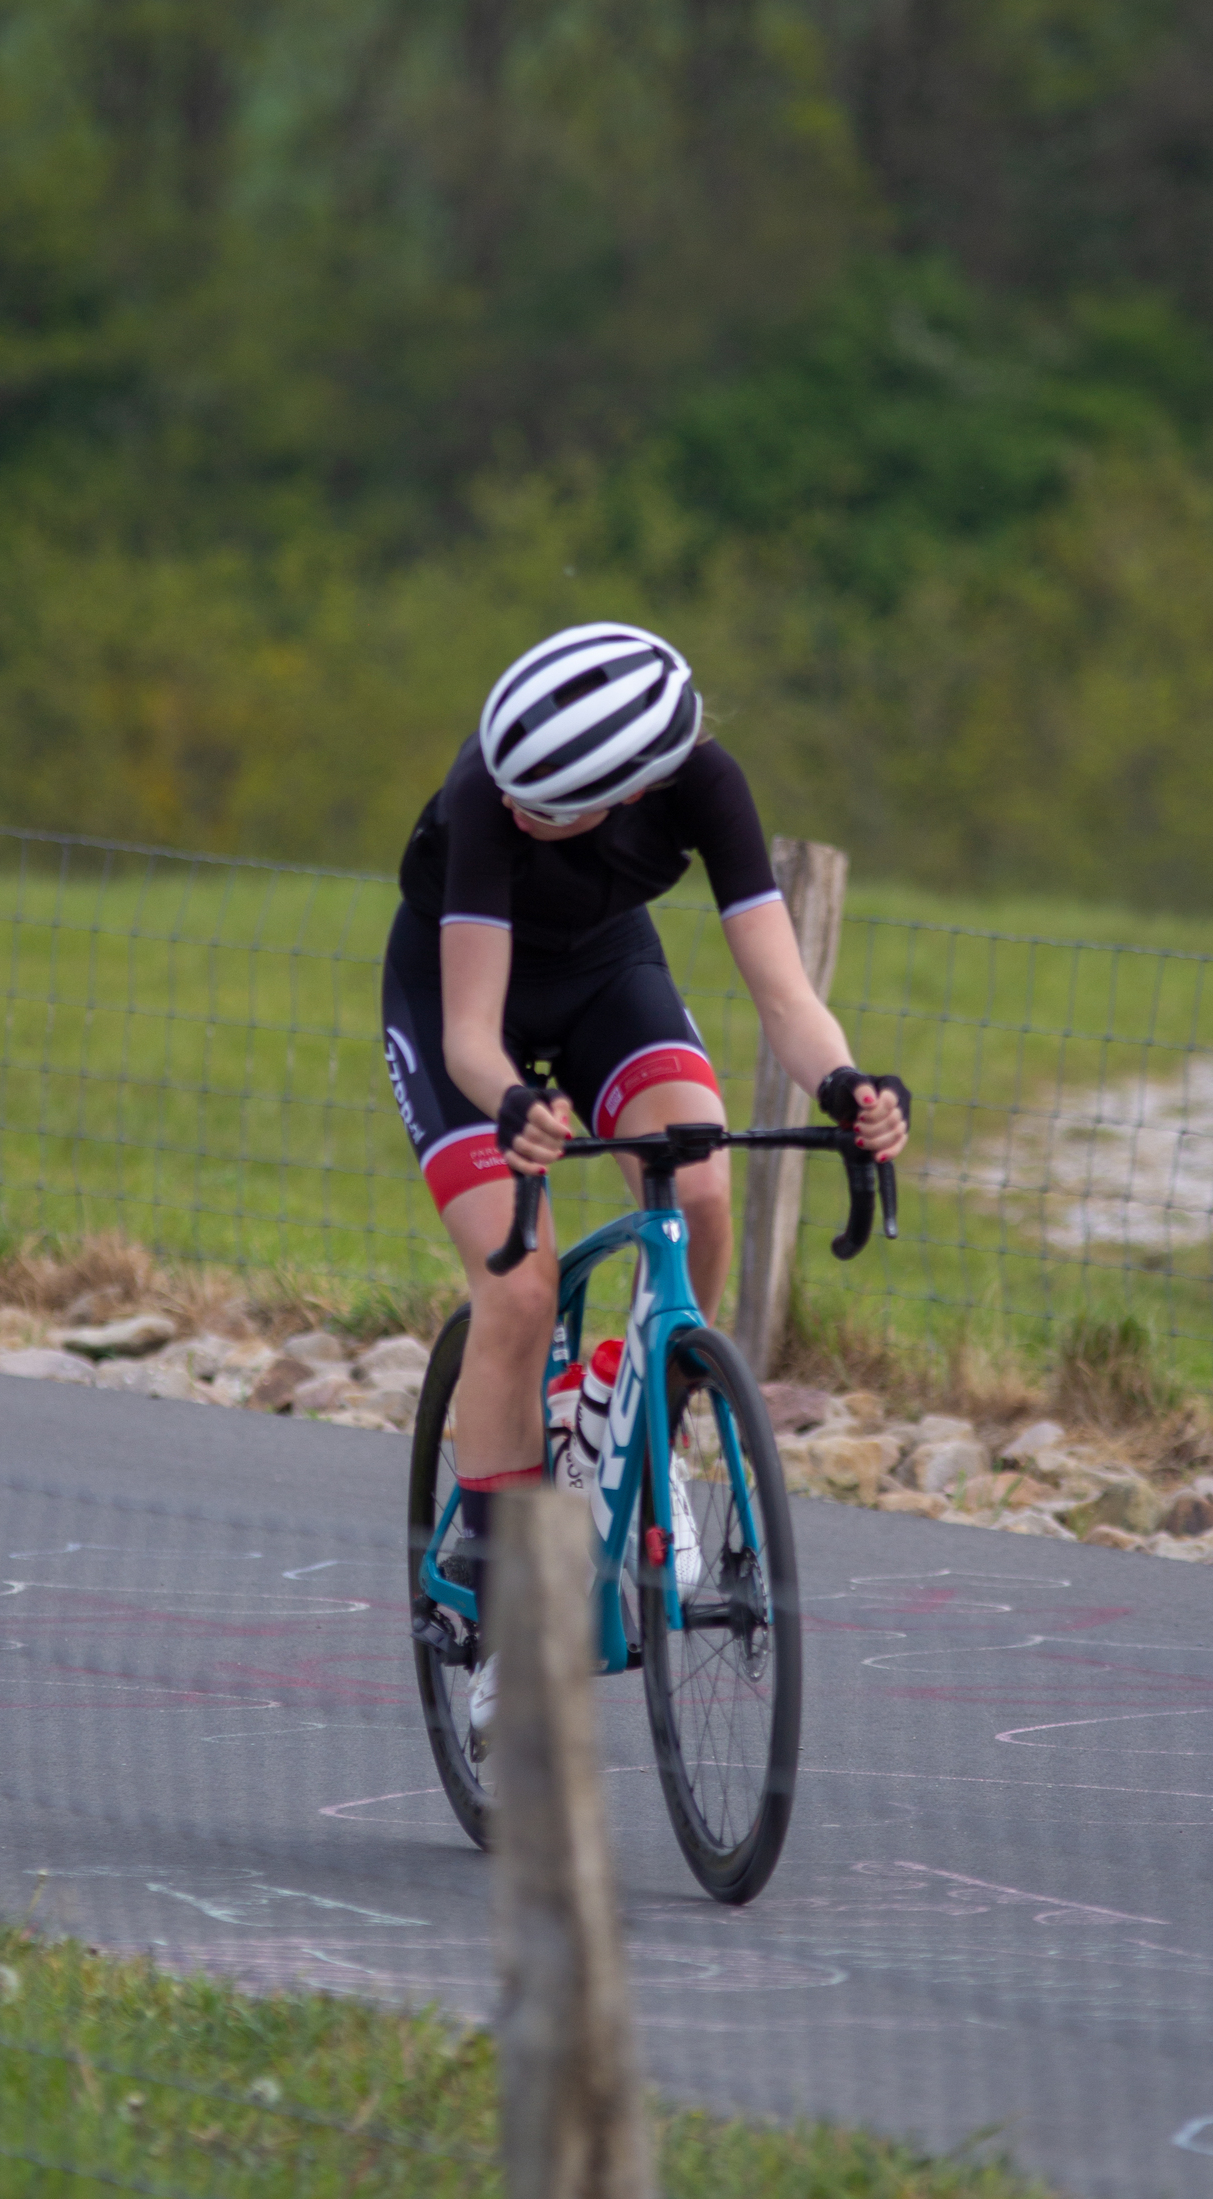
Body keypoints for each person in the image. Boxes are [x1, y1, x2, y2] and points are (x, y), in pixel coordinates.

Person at [382, 623, 909, 1729]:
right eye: (517, 799)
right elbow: (474, 1039)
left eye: (553, 809)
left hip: (607, 974)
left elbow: (781, 995)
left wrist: (848, 1087)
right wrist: (517, 1109)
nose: (521, 815)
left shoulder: (707, 785)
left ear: (628, 793)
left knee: (703, 1182)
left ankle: (631, 1406)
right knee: (518, 1283)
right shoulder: (487, 792)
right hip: (458, 1001)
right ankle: (514, 1613)